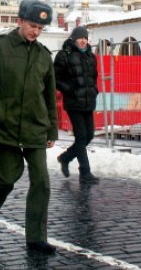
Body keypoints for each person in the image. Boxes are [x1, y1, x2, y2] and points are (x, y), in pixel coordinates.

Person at [0, 0, 58, 255]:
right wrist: (0, 115)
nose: (36, 31)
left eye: (41, 28)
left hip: (35, 127)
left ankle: (36, 238)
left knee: (41, 182)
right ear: (19, 21)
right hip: (5, 128)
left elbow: (49, 96)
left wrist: (51, 129)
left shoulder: (44, 55)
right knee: (8, 177)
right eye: (33, 25)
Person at [54, 26, 100, 183]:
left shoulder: (90, 56)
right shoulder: (64, 55)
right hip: (73, 102)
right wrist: (70, 90)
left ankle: (65, 158)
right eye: (81, 38)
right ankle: (85, 172)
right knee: (81, 137)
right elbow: (55, 78)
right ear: (74, 39)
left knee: (89, 135)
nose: (83, 41)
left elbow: (94, 77)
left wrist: (94, 90)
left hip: (88, 101)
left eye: (86, 38)